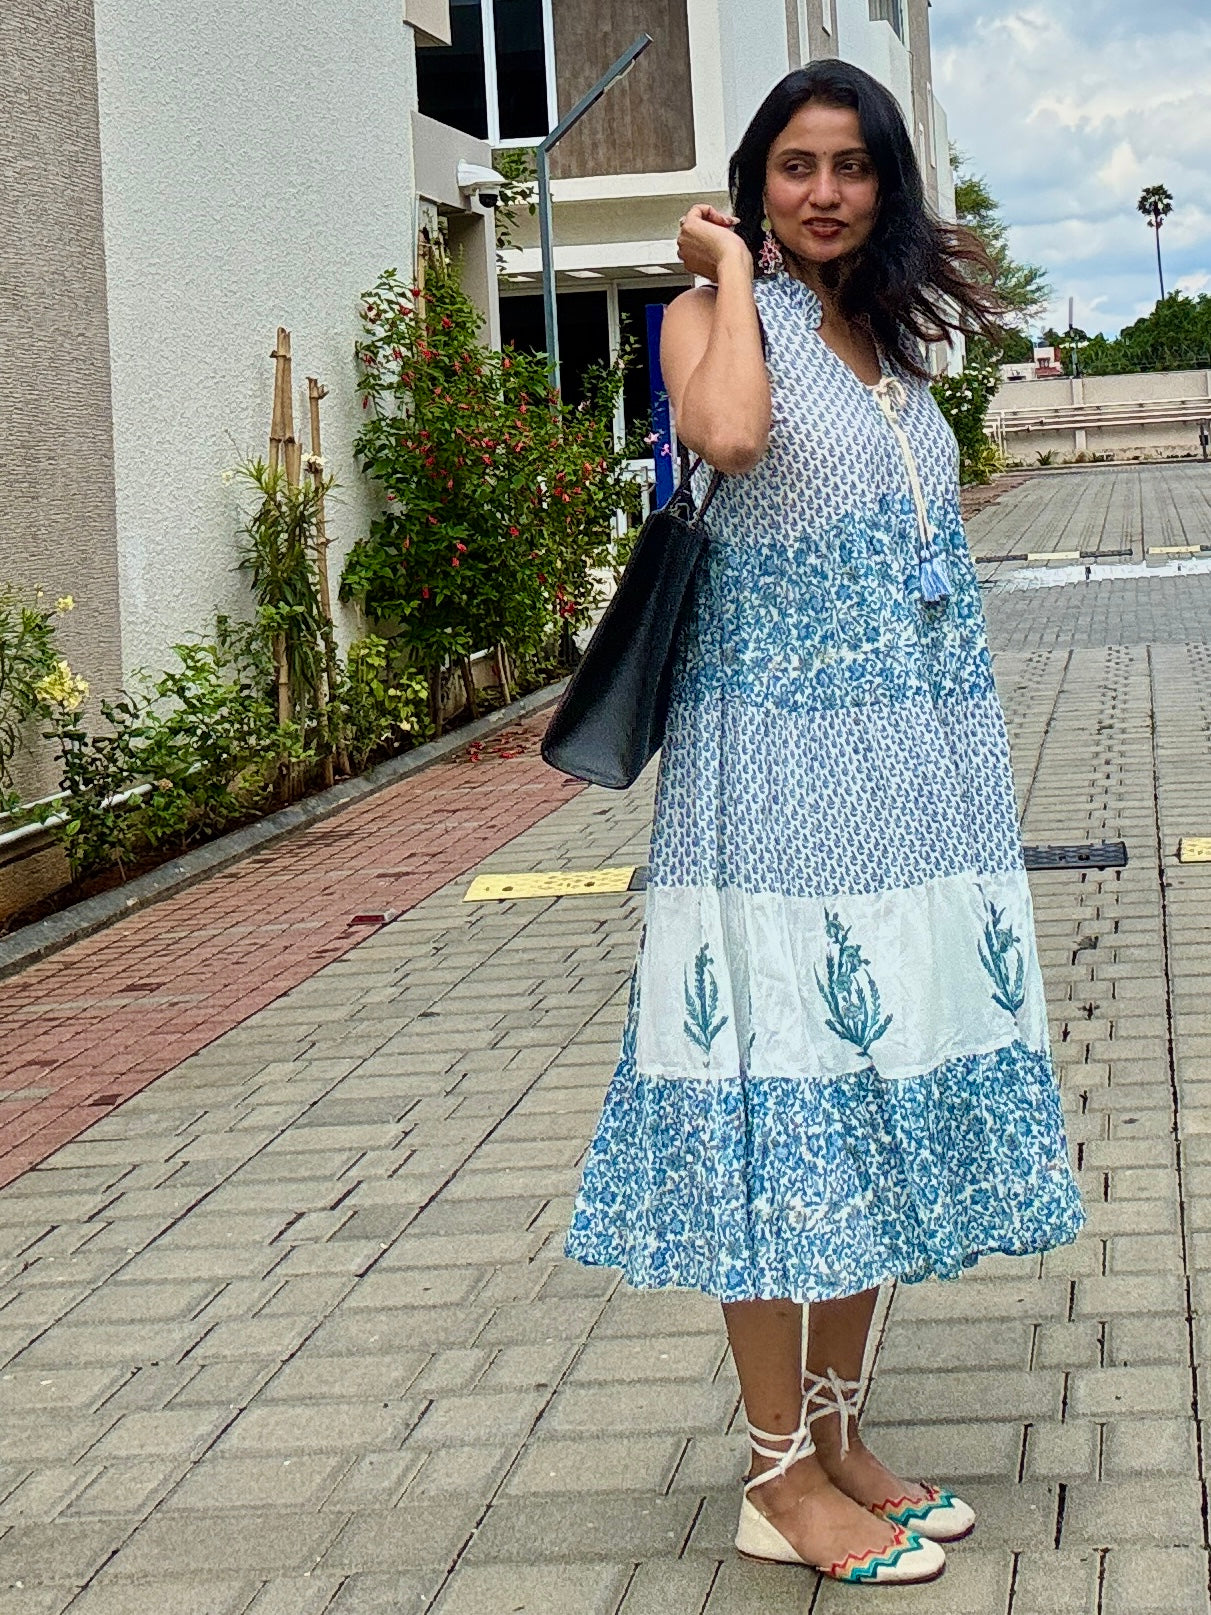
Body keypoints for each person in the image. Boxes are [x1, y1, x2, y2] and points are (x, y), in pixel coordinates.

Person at [564, 60, 1084, 1586]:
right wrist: (730, 270)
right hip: (772, 784)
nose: (826, 192)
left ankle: (844, 1436)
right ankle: (775, 1475)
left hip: (915, 777)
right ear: (756, 182)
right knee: (776, 1090)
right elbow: (729, 440)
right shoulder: (709, 318)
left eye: (852, 165)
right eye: (796, 165)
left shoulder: (889, 334)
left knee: (874, 1085)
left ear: (886, 183)